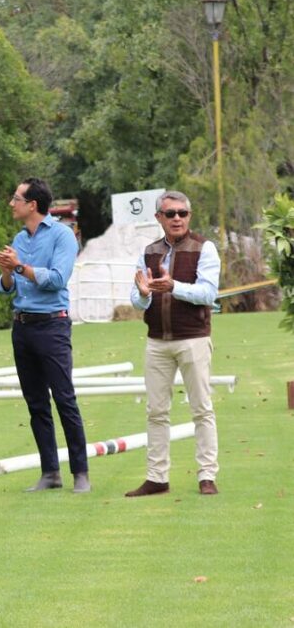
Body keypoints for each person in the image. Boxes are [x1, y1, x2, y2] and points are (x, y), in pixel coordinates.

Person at [0, 177, 90, 493]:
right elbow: (4, 289)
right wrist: (7, 271)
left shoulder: (63, 236)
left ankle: (80, 473)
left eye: (15, 198)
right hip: (22, 328)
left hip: (52, 327)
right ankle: (51, 473)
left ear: (32, 204)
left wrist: (19, 267)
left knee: (64, 399)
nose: (11, 203)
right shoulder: (19, 239)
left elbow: (57, 279)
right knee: (35, 403)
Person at [125, 191, 220, 497]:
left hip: (193, 338)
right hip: (157, 341)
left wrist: (173, 286)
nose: (177, 218)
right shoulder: (149, 251)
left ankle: (207, 475)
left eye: (182, 213)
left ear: (189, 216)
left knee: (202, 410)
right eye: (170, 213)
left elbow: (208, 293)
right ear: (159, 218)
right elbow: (137, 300)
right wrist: (142, 292)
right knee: (156, 412)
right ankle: (157, 477)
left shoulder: (205, 248)